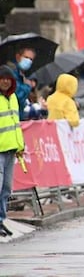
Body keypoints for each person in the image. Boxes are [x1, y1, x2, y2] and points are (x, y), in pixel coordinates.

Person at [0, 65, 25, 237]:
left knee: (6, 188)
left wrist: (19, 146)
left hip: (11, 150)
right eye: (2, 78)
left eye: (9, 79)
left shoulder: (13, 97)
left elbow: (16, 124)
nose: (6, 81)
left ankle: (1, 220)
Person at [6, 47, 37, 120]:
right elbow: (18, 95)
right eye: (26, 57)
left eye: (31, 59)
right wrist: (27, 86)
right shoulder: (11, 72)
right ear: (18, 57)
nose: (28, 61)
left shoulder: (22, 74)